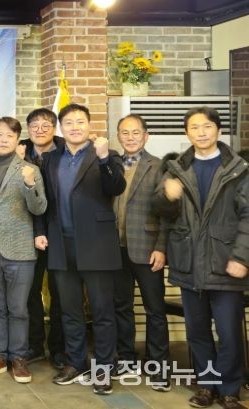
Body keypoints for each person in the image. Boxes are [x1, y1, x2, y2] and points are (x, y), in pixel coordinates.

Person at [152, 107, 249, 409]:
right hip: (189, 263)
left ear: (218, 130)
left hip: (225, 263)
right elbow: (162, 212)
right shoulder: (175, 168)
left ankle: (230, 389)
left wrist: (242, 257)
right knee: (197, 332)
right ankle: (207, 386)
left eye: (207, 126)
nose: (201, 132)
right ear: (187, 132)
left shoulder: (239, 169)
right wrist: (166, 196)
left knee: (229, 332)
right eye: (194, 127)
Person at [35, 103, 126, 395]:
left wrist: (104, 158)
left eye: (80, 122)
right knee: (69, 311)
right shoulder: (51, 159)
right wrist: (40, 232)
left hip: (96, 244)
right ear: (61, 128)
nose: (74, 127)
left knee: (102, 311)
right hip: (60, 244)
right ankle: (75, 363)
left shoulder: (106, 154)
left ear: (89, 125)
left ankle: (104, 368)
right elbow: (45, 202)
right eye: (69, 123)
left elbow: (116, 187)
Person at [0, 117, 47, 383]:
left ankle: (19, 359)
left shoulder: (30, 169)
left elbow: (39, 208)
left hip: (20, 249)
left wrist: (29, 184)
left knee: (18, 308)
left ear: (17, 139)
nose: (3, 140)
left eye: (9, 135)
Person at [111, 114, 170, 391]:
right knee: (121, 307)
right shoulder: (111, 165)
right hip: (115, 249)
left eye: (136, 132)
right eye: (125, 133)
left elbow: (168, 213)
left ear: (146, 136)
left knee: (154, 309)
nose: (130, 137)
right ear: (118, 136)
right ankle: (126, 359)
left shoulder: (158, 167)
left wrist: (161, 248)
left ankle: (159, 367)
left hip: (147, 249)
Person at [19, 108, 66, 369]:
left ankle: (58, 349)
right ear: (28, 129)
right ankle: (35, 345)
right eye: (34, 125)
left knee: (59, 292)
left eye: (46, 125)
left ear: (54, 127)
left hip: (59, 231)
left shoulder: (66, 151)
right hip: (27, 232)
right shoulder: (19, 151)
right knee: (30, 292)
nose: (40, 129)